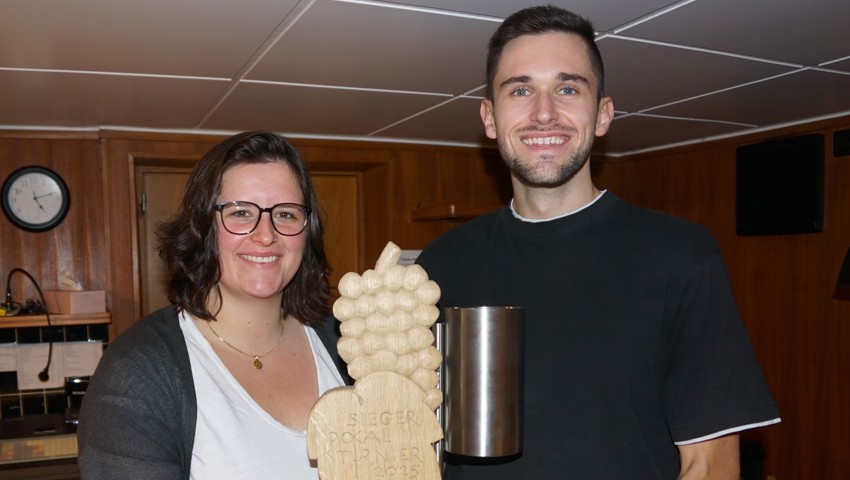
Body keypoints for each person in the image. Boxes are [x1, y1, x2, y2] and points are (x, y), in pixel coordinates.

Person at [416, 6, 780, 479]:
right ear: (489, 117)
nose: (543, 112)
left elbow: (709, 465)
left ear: (603, 114)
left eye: (568, 89)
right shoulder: (439, 266)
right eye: (520, 90)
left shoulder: (680, 256)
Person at [78, 131, 351, 479]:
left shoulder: (347, 343)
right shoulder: (138, 373)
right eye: (240, 213)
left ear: (306, 230)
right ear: (203, 226)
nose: (266, 234)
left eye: (285, 214)